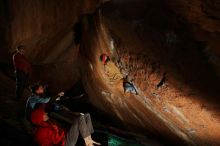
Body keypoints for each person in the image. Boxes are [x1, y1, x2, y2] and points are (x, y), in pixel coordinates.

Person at [31, 109, 101, 146]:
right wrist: (56, 128)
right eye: (43, 114)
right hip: (65, 143)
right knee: (80, 118)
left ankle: (89, 138)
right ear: (39, 118)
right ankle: (88, 141)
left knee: (87, 115)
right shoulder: (41, 132)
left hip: (65, 137)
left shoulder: (45, 124)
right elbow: (56, 140)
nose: (46, 113)